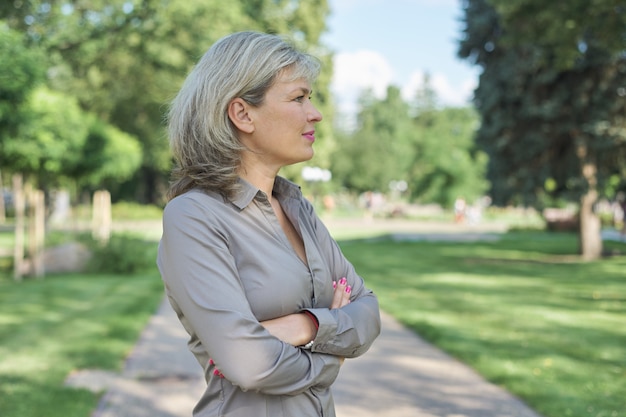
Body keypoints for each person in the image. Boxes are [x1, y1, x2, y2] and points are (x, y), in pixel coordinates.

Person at [157, 31, 381, 417]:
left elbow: (368, 313)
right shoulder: (193, 217)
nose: (315, 113)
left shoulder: (298, 210)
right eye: (298, 97)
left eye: (310, 98)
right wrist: (332, 354)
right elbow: (249, 363)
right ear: (242, 113)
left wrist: (304, 326)